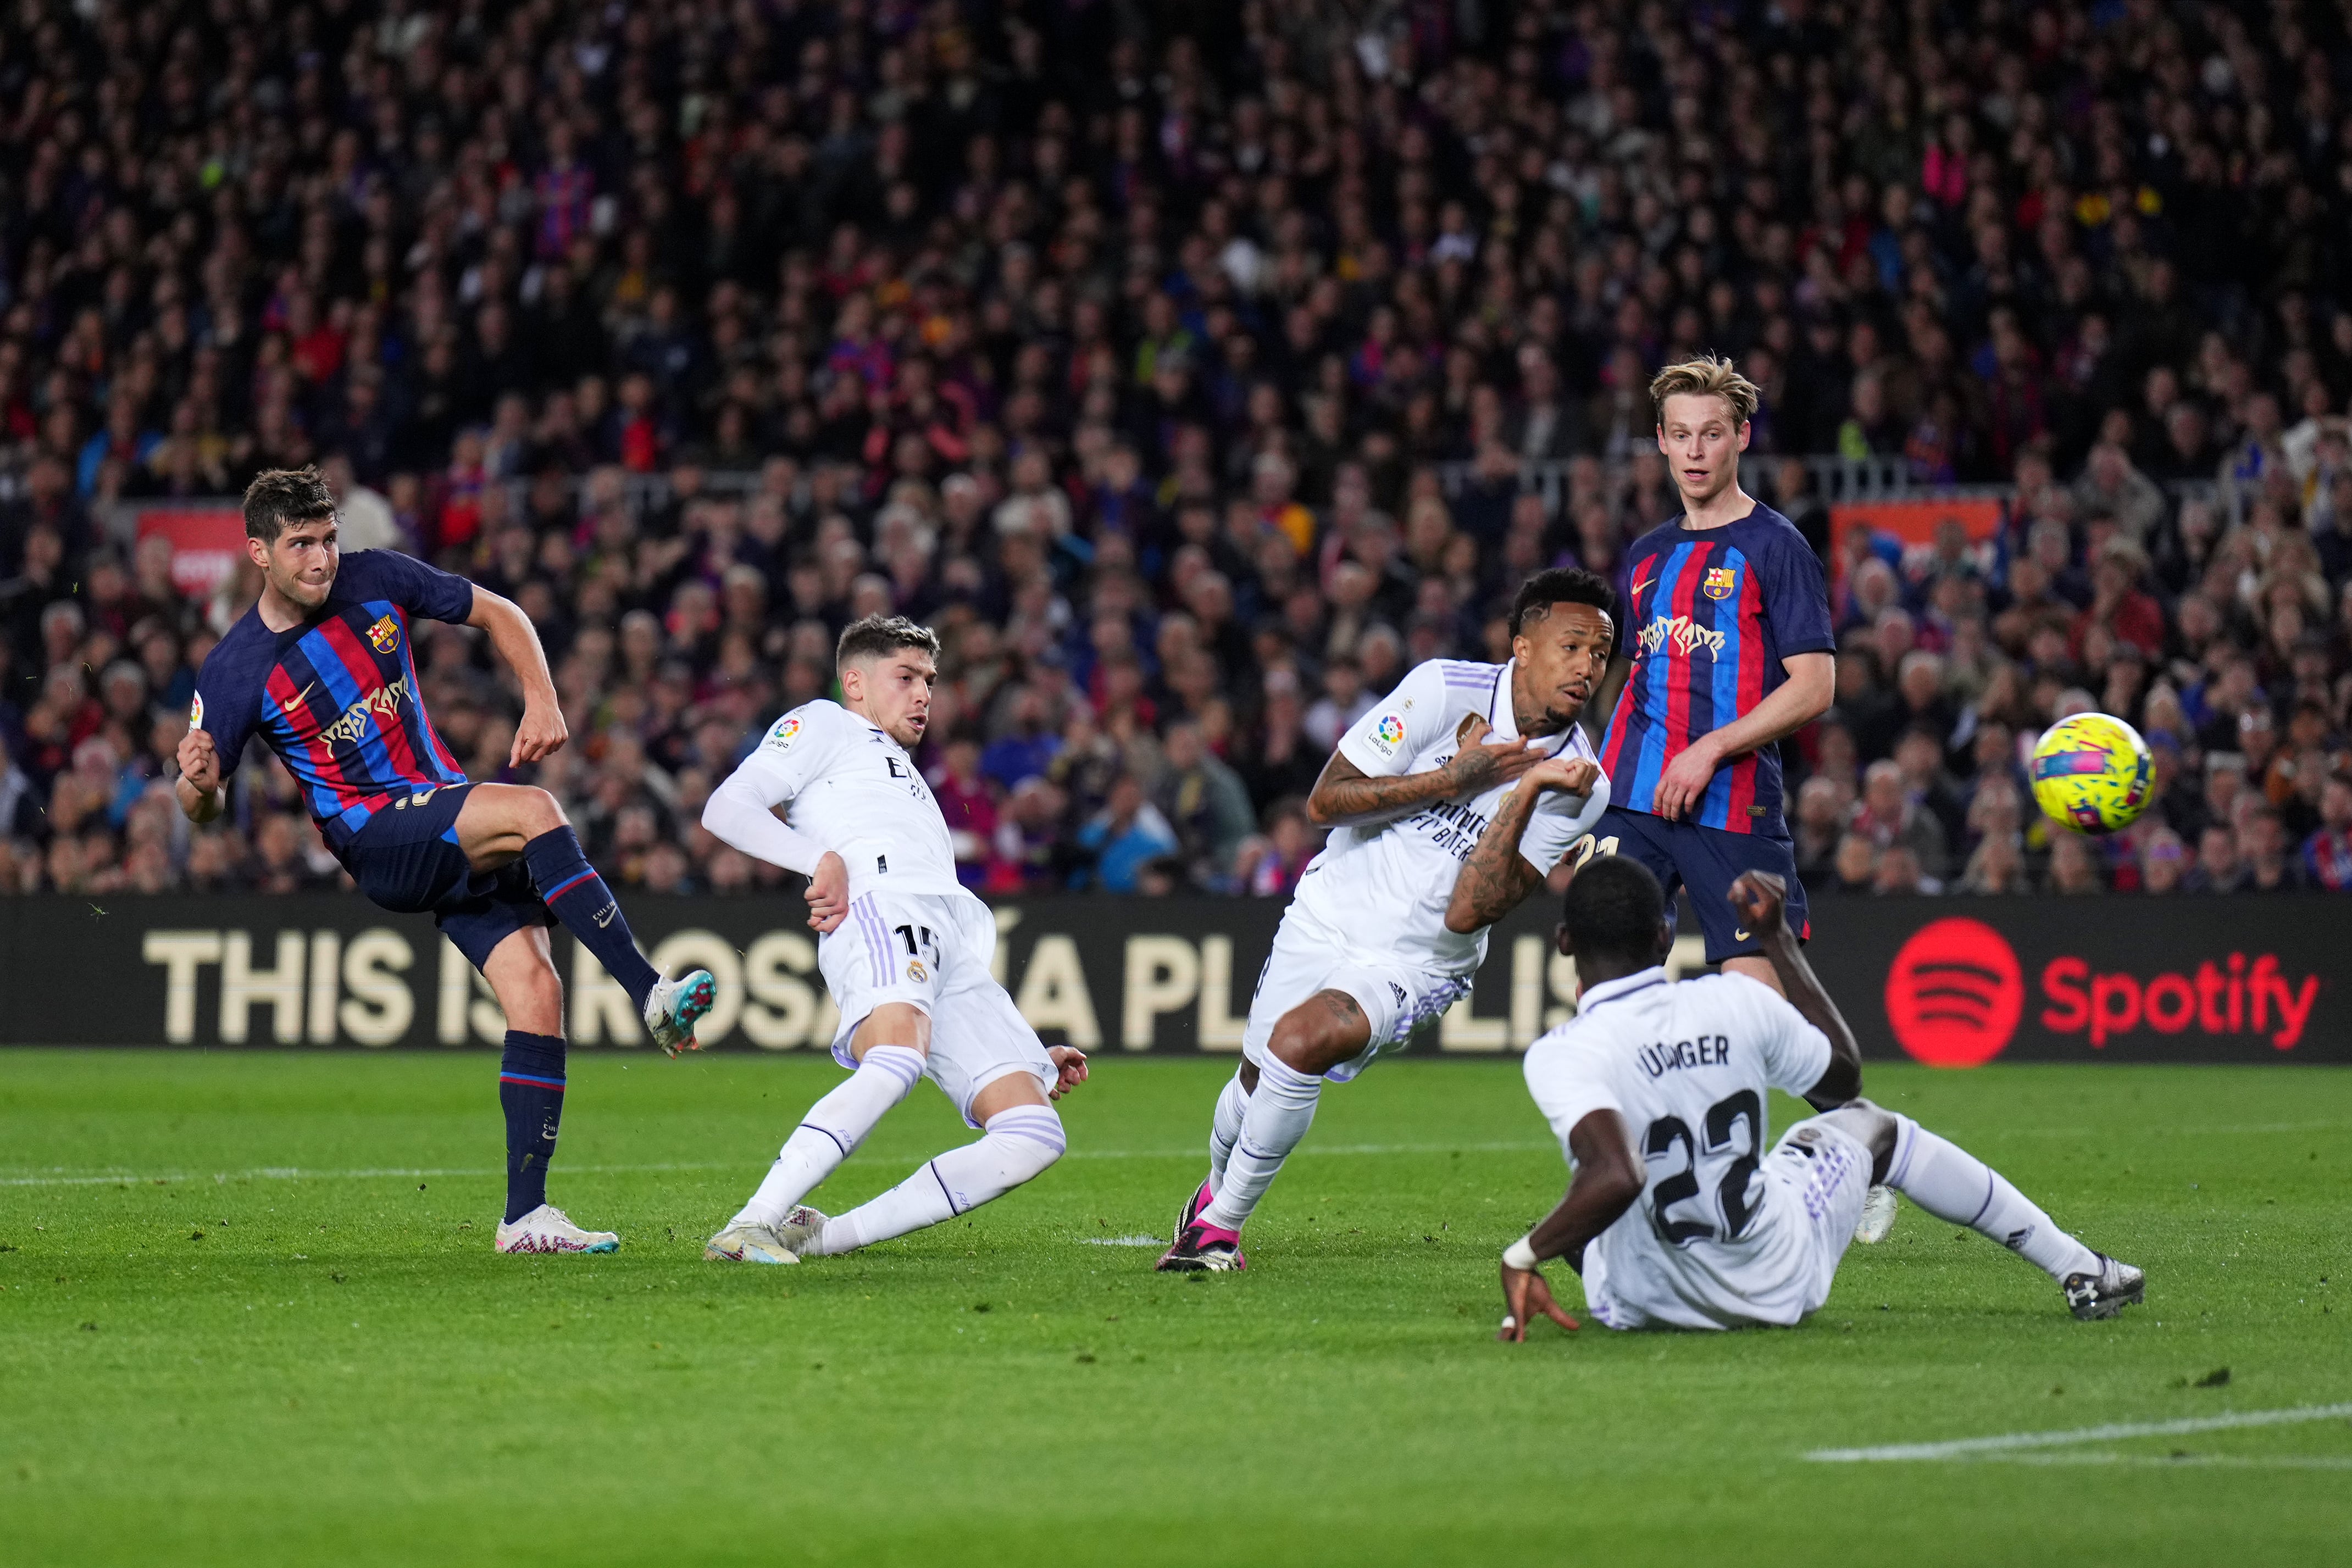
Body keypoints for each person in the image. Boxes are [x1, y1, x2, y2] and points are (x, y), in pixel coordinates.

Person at [176, 468, 716, 1255]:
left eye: (327, 539)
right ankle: (652, 993)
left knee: (536, 990)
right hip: (376, 838)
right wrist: (195, 785)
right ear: (258, 551)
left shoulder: (377, 577)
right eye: (301, 545)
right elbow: (204, 805)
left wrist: (543, 697)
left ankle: (524, 1216)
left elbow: (499, 611)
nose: (322, 559)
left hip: (440, 815)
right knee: (534, 810)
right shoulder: (233, 669)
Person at [1155, 568, 1616, 1272]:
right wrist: (1451, 780)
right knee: (1253, 1079)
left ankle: (1219, 1229)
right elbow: (1325, 800)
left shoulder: (1578, 784)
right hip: (1326, 912)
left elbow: (1472, 910)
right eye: (1572, 645)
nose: (1586, 666)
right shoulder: (1441, 689)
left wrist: (1523, 794)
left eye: (1600, 654)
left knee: (1300, 1040)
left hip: (1419, 961)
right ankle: (1213, 1193)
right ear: (1521, 646)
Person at [1496, 857, 2142, 1339]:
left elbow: (1614, 1173)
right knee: (1869, 1125)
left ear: (1564, 944)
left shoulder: (1562, 1051)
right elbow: (1840, 1084)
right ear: (1664, 938)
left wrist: (1523, 1254)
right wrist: (1775, 940)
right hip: (1776, 1279)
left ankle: (1631, 1272)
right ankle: (2081, 1268)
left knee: (1572, 1224)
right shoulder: (1734, 999)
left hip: (1637, 1308)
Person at [1589, 358, 1896, 1244]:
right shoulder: (1646, 557)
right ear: (1659, 440)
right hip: (1637, 802)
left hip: (1731, 806)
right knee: (1604, 987)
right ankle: (1633, 1191)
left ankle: (1863, 1138)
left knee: (1764, 1017)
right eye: (1679, 434)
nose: (1694, 449)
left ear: (1740, 437)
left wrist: (1715, 746)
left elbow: (1817, 684)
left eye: (1711, 433)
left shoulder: (1777, 546)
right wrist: (1599, 787)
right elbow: (1642, 682)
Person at [697, 614, 1089, 1264]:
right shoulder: (825, 723)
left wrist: (1015, 1051)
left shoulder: (902, 771)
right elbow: (725, 808)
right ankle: (752, 1221)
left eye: (929, 681)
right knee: (898, 1057)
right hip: (882, 907)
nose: (923, 695)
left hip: (950, 942)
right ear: (855, 681)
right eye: (905, 677)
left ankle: (826, 1236)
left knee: (1032, 1131)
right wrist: (815, 860)